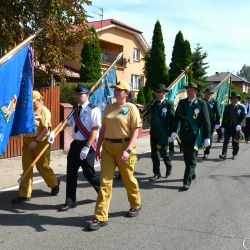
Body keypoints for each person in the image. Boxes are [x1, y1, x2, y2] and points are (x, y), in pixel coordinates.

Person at [88, 81, 142, 231]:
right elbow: (103, 128)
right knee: (105, 182)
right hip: (108, 148)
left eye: (120, 90)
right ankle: (100, 216)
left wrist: (128, 150)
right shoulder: (108, 107)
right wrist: (97, 148)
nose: (117, 92)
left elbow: (135, 132)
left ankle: (135, 203)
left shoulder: (131, 108)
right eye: (116, 90)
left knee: (128, 178)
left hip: (124, 147)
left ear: (126, 93)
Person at [54, 84, 101, 211]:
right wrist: (54, 132)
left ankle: (103, 193)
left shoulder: (93, 109)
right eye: (77, 94)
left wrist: (87, 147)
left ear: (87, 95)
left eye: (81, 94)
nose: (78, 96)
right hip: (75, 145)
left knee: (89, 174)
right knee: (71, 173)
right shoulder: (75, 110)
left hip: (87, 145)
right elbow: (66, 123)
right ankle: (70, 201)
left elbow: (95, 130)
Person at [12, 90, 60, 204]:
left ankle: (54, 183)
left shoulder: (44, 111)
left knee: (42, 166)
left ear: (39, 100)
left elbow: (45, 129)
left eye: (34, 102)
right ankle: (24, 194)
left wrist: (36, 141)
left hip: (41, 141)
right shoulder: (28, 111)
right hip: (27, 142)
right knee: (27, 168)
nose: (32, 104)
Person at [171, 83, 210, 191]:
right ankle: (192, 172)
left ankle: (186, 182)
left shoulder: (201, 103)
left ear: (196, 92)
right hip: (184, 134)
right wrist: (174, 130)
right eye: (188, 90)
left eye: (192, 90)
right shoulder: (182, 102)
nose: (189, 92)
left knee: (192, 158)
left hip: (195, 135)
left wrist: (207, 136)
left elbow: (206, 121)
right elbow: (177, 118)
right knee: (187, 157)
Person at [143, 84, 175, 181]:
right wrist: (145, 108)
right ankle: (156, 173)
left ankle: (169, 167)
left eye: (160, 91)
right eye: (157, 92)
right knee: (154, 154)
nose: (157, 93)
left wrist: (172, 133)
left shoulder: (169, 104)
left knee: (164, 153)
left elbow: (173, 119)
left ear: (164, 92)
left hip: (164, 134)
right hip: (154, 133)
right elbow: (143, 114)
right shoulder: (153, 104)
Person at [219, 93, 246, 160]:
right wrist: (222, 126)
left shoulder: (241, 107)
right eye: (233, 98)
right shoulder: (227, 107)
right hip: (228, 127)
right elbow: (224, 117)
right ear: (231, 99)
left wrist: (240, 125)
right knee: (226, 141)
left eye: (236, 98)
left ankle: (234, 154)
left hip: (237, 128)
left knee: (235, 142)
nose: (234, 99)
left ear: (238, 99)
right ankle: (224, 154)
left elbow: (244, 118)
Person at [203, 88, 220, 159]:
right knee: (201, 136)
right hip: (202, 122)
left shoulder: (214, 101)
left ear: (211, 94)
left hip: (211, 122)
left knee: (209, 137)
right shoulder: (201, 101)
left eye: (209, 94)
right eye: (207, 94)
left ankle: (206, 152)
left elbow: (217, 113)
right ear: (205, 94)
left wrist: (217, 122)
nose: (208, 95)